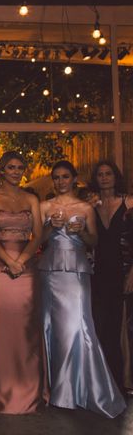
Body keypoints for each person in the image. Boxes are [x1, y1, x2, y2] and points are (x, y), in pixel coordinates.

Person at [39, 161, 125, 418]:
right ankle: (52, 388)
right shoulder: (44, 207)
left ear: (74, 179)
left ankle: (78, 388)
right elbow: (38, 241)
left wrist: (80, 233)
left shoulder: (86, 208)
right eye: (56, 177)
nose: (60, 181)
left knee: (78, 326)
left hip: (77, 271)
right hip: (49, 271)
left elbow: (94, 241)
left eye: (65, 177)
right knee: (49, 326)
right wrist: (49, 227)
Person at [0, 151, 47, 414]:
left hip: (25, 267)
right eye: (11, 167)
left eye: (20, 167)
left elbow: (38, 234)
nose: (16, 171)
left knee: (25, 327)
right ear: (2, 170)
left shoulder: (31, 198)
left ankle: (28, 388)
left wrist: (22, 260)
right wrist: (8, 260)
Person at [89, 160, 133, 393]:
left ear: (116, 176)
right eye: (100, 174)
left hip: (122, 271)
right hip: (97, 273)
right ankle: (104, 381)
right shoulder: (91, 206)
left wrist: (132, 274)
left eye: (108, 174)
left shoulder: (129, 203)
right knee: (100, 326)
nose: (104, 178)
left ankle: (122, 381)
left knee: (121, 328)